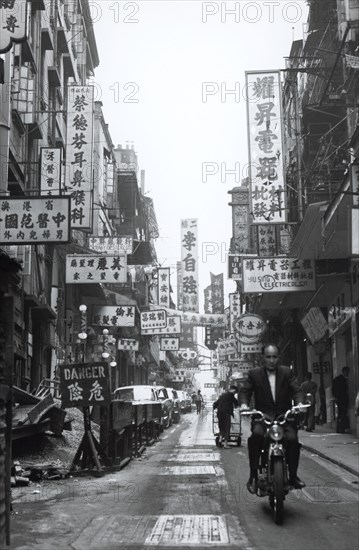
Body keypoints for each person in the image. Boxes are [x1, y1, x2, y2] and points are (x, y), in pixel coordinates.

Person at [239, 343, 306, 494]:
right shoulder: (254, 374)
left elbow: (297, 390)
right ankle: (253, 476)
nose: (271, 360)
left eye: (274, 357)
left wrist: (300, 403)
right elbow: (245, 391)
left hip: (284, 417)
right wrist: (244, 405)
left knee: (293, 440)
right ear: (263, 358)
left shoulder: (287, 372)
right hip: (263, 417)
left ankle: (293, 476)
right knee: (255, 437)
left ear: (278, 357)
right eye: (268, 357)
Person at [332, 366, 350, 433]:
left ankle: (339, 429)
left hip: (338, 399)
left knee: (340, 414)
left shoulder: (336, 379)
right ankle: (342, 429)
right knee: (343, 414)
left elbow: (333, 389)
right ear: (344, 371)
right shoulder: (344, 380)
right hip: (343, 399)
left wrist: (335, 397)